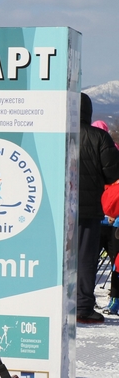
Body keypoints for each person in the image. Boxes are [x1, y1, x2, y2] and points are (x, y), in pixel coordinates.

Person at [78, 93, 119, 323]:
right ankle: (82, 306)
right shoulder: (99, 137)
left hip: (56, 208)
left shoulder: (57, 135)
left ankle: (54, 301)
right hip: (90, 208)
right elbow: (113, 172)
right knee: (86, 258)